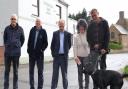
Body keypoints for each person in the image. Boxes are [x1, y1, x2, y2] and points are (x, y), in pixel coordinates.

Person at [3, 14, 25, 89]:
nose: (13, 20)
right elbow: (5, 39)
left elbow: (22, 40)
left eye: (14, 19)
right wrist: (7, 45)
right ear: (10, 20)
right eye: (12, 19)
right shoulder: (7, 29)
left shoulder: (20, 29)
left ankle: (15, 87)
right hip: (8, 53)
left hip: (16, 54)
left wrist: (18, 46)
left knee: (15, 72)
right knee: (6, 71)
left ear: (16, 20)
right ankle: (6, 87)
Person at [27, 18, 48, 89]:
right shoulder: (32, 30)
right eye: (36, 22)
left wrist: (42, 49)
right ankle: (32, 86)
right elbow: (29, 41)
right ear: (35, 23)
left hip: (39, 55)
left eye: (39, 22)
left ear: (41, 23)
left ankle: (40, 87)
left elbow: (46, 43)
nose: (37, 23)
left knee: (40, 72)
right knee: (31, 72)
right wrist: (28, 50)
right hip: (32, 55)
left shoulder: (43, 31)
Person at [51, 19, 72, 89]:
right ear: (58, 25)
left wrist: (65, 51)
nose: (61, 27)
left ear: (64, 25)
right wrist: (53, 54)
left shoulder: (68, 34)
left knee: (64, 75)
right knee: (55, 75)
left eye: (62, 26)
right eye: (60, 26)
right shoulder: (55, 33)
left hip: (64, 57)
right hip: (56, 57)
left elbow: (70, 44)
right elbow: (52, 45)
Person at [73, 19, 90, 89]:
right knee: (80, 74)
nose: (81, 29)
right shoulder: (76, 36)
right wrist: (75, 56)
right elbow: (74, 47)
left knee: (87, 74)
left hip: (86, 57)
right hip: (79, 58)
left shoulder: (88, 35)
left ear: (85, 27)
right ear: (78, 27)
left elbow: (90, 46)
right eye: (80, 27)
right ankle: (81, 87)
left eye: (82, 27)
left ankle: (86, 87)